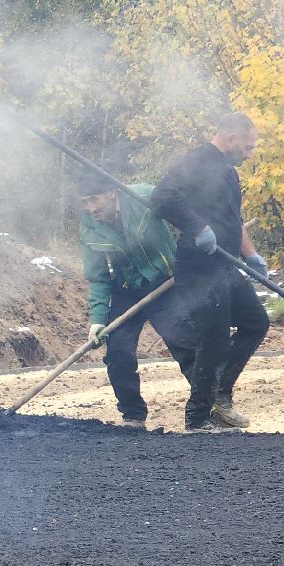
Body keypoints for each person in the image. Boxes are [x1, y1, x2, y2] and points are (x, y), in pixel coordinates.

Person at [149, 111, 268, 432]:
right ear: (229, 138)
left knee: (256, 322)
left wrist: (252, 255)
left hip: (226, 266)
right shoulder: (197, 160)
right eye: (247, 147)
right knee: (212, 339)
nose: (249, 153)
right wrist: (197, 227)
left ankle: (220, 395)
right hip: (199, 268)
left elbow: (233, 220)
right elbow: (161, 198)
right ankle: (197, 416)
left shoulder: (229, 173)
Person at [78, 174, 186, 429]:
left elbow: (186, 213)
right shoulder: (88, 227)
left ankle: (206, 409)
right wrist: (97, 320)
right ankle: (132, 415)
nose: (90, 208)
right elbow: (98, 277)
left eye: (94, 200)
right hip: (127, 289)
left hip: (166, 285)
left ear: (111, 193)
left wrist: (195, 241)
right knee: (117, 353)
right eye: (84, 202)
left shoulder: (144, 196)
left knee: (186, 343)